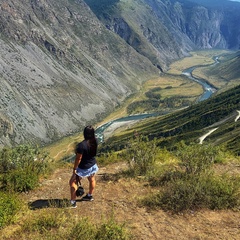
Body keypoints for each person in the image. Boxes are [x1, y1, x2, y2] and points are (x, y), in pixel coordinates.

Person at [69, 125, 98, 208]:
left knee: (72, 182)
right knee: (91, 179)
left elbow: (78, 158)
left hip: (83, 167)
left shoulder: (82, 145)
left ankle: (73, 202)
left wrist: (75, 168)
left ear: (84, 133)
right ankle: (89, 196)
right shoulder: (95, 140)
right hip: (93, 165)